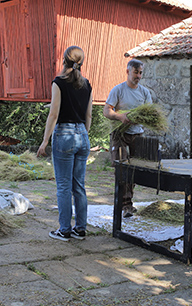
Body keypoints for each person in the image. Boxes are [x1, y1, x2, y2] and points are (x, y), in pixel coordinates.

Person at [37, 46, 93, 241]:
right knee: (79, 186)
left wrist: (45, 141)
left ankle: (64, 229)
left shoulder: (58, 82)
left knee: (63, 186)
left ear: (64, 60)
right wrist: (83, 135)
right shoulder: (87, 84)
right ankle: (80, 228)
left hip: (64, 134)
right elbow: (88, 115)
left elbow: (53, 114)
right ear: (81, 62)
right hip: (82, 135)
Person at [103, 59, 152, 218]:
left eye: (140, 73)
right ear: (128, 72)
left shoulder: (145, 93)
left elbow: (150, 114)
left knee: (134, 170)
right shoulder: (118, 90)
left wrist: (142, 119)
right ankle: (124, 205)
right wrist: (120, 116)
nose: (138, 75)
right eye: (135, 72)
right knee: (122, 169)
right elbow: (107, 111)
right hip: (120, 134)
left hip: (137, 134)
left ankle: (127, 203)